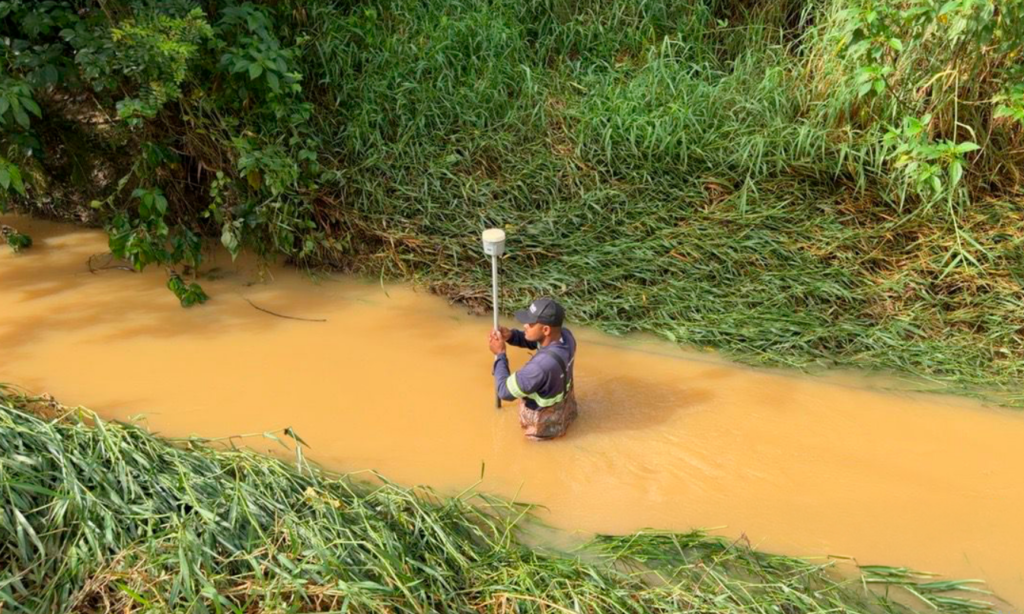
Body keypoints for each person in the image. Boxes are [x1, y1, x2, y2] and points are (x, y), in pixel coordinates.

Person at [488, 297, 578, 440]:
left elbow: (504, 391)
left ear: (546, 329)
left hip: (543, 423)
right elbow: (538, 342)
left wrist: (500, 355)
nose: (525, 325)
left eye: (530, 323)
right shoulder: (566, 337)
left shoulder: (539, 367)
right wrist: (512, 336)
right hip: (565, 408)